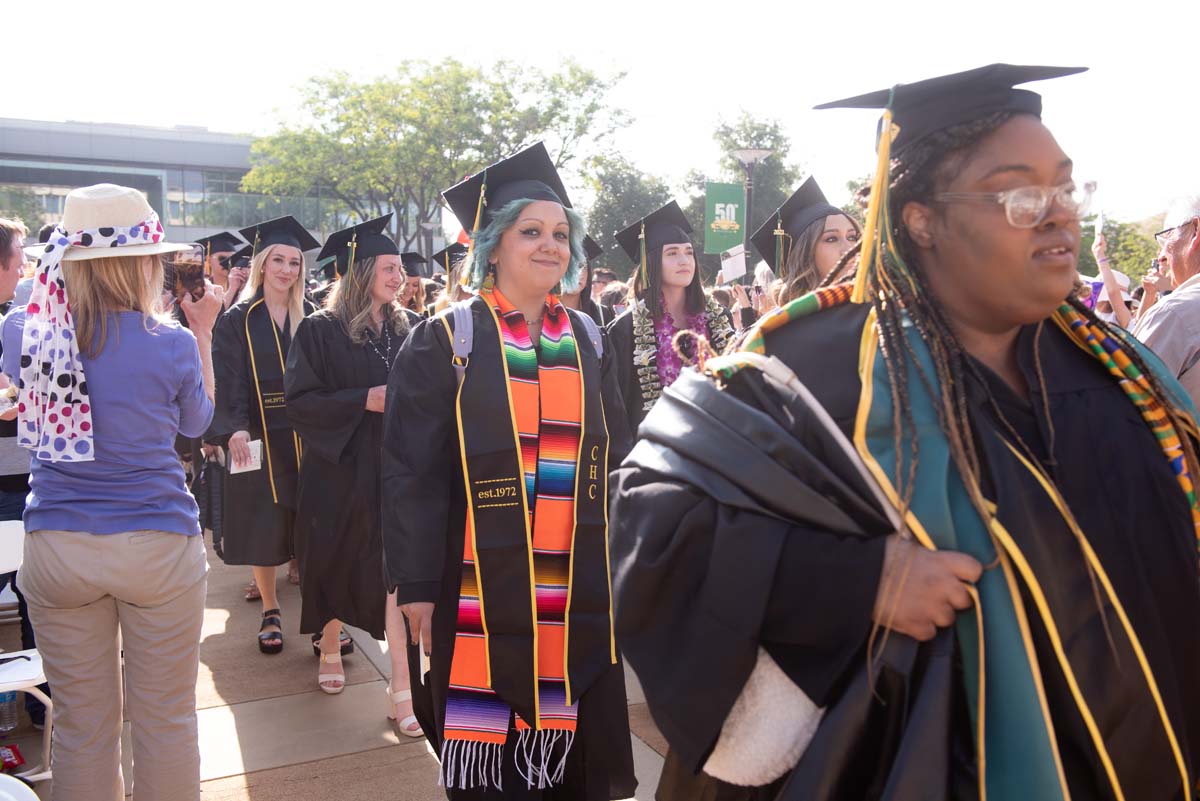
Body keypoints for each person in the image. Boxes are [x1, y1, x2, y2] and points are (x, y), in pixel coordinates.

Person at [610, 64, 1200, 801]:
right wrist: (854, 580)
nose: (1058, 215)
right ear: (921, 219)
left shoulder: (1117, 369)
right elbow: (653, 522)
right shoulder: (815, 368)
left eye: (1066, 188)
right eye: (1019, 195)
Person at [382, 142, 636, 799]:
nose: (550, 244)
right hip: (472, 579)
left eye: (560, 234)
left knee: (574, 763)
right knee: (493, 768)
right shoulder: (447, 340)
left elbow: (612, 457)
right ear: (492, 245)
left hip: (576, 583)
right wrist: (416, 584)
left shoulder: (588, 338)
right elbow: (411, 472)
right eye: (531, 231)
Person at [3, 183, 221, 800]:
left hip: (58, 546)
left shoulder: (23, 331)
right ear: (144, 262)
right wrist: (204, 333)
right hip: (157, 543)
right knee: (166, 721)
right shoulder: (171, 342)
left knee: (82, 727)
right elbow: (198, 422)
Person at [285, 215, 424, 723]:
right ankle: (329, 643)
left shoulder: (411, 327)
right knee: (335, 560)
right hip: (339, 470)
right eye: (388, 268)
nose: (398, 277)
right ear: (362, 271)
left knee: (396, 572)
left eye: (400, 268)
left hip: (397, 467)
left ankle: (402, 687)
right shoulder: (320, 330)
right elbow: (300, 402)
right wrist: (362, 399)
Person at [210, 215, 319, 654]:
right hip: (255, 437)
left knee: (313, 523)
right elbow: (228, 378)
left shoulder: (312, 315)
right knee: (263, 520)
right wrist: (233, 428)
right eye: (278, 260)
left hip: (308, 437)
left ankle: (324, 615)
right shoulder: (237, 319)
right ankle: (271, 608)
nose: (287, 270)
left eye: (294, 262)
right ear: (262, 264)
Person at [607, 201, 734, 430]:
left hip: (714, 436)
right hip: (652, 442)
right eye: (672, 253)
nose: (684, 260)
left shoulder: (719, 319)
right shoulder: (626, 329)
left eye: (689, 252)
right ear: (651, 262)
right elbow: (619, 407)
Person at [749, 176, 861, 303]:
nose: (849, 249)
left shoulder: (874, 309)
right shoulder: (789, 315)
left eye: (852, 237)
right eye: (831, 239)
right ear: (805, 254)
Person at [1133, 196, 1200, 409]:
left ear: (1196, 232)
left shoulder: (1176, 313)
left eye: (1167, 237)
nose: (1161, 256)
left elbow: (1128, 407)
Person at [560, 236, 609, 327]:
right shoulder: (539, 312)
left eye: (582, 267)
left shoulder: (602, 314)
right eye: (570, 266)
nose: (578, 273)